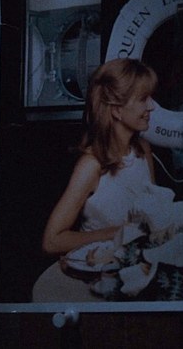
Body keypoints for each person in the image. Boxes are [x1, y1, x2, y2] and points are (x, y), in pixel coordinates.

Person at [42, 58, 161, 255]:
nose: (151, 106)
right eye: (143, 99)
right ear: (117, 110)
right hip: (98, 265)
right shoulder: (91, 165)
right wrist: (114, 233)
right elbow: (51, 241)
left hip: (137, 263)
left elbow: (153, 211)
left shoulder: (143, 149)